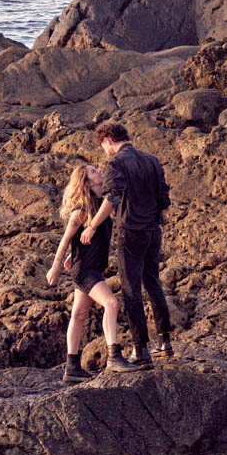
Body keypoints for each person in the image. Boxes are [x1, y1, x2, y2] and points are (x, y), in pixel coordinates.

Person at [79, 120, 173, 371]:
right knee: (154, 283)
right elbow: (164, 200)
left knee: (131, 290)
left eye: (102, 146)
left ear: (107, 140)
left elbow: (112, 198)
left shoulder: (116, 163)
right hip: (153, 231)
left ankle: (140, 349)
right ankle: (165, 343)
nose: (104, 153)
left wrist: (92, 226)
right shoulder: (152, 160)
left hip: (131, 233)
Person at [46, 164, 121, 382]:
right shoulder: (81, 210)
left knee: (79, 315)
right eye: (93, 171)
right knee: (111, 304)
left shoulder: (102, 204)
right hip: (85, 271)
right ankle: (114, 356)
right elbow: (66, 239)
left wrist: (75, 253)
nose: (99, 170)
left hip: (92, 266)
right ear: (87, 182)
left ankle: (71, 368)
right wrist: (56, 265)